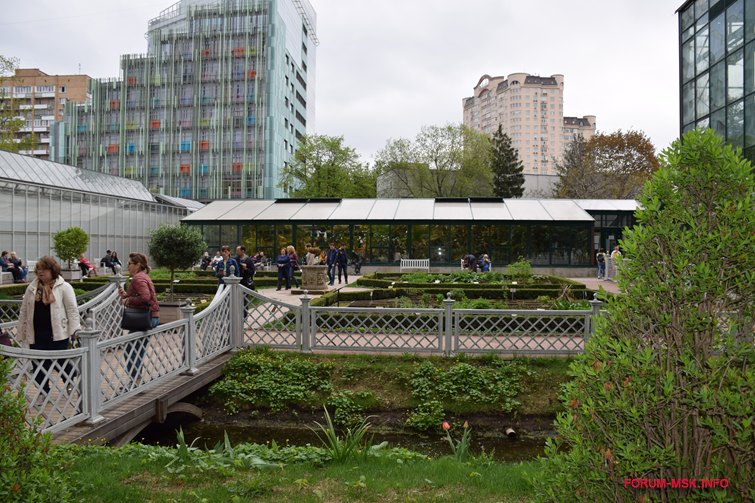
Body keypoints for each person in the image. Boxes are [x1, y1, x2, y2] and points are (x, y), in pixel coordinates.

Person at [16, 256, 81, 404]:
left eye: (44, 269)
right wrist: (21, 332)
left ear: (53, 271)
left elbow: (72, 310)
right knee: (38, 364)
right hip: (36, 332)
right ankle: (42, 392)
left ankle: (70, 381)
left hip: (58, 332)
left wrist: (74, 329)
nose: (41, 272)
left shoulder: (64, 287)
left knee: (61, 361)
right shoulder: (32, 288)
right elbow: (24, 312)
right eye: (39, 269)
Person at [118, 253, 159, 391]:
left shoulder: (138, 277)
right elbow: (142, 296)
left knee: (130, 349)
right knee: (137, 349)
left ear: (137, 265)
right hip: (151, 317)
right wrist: (125, 295)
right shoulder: (142, 276)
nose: (127, 266)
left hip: (144, 318)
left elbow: (145, 298)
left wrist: (128, 300)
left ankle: (136, 381)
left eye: (129, 263)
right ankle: (137, 380)